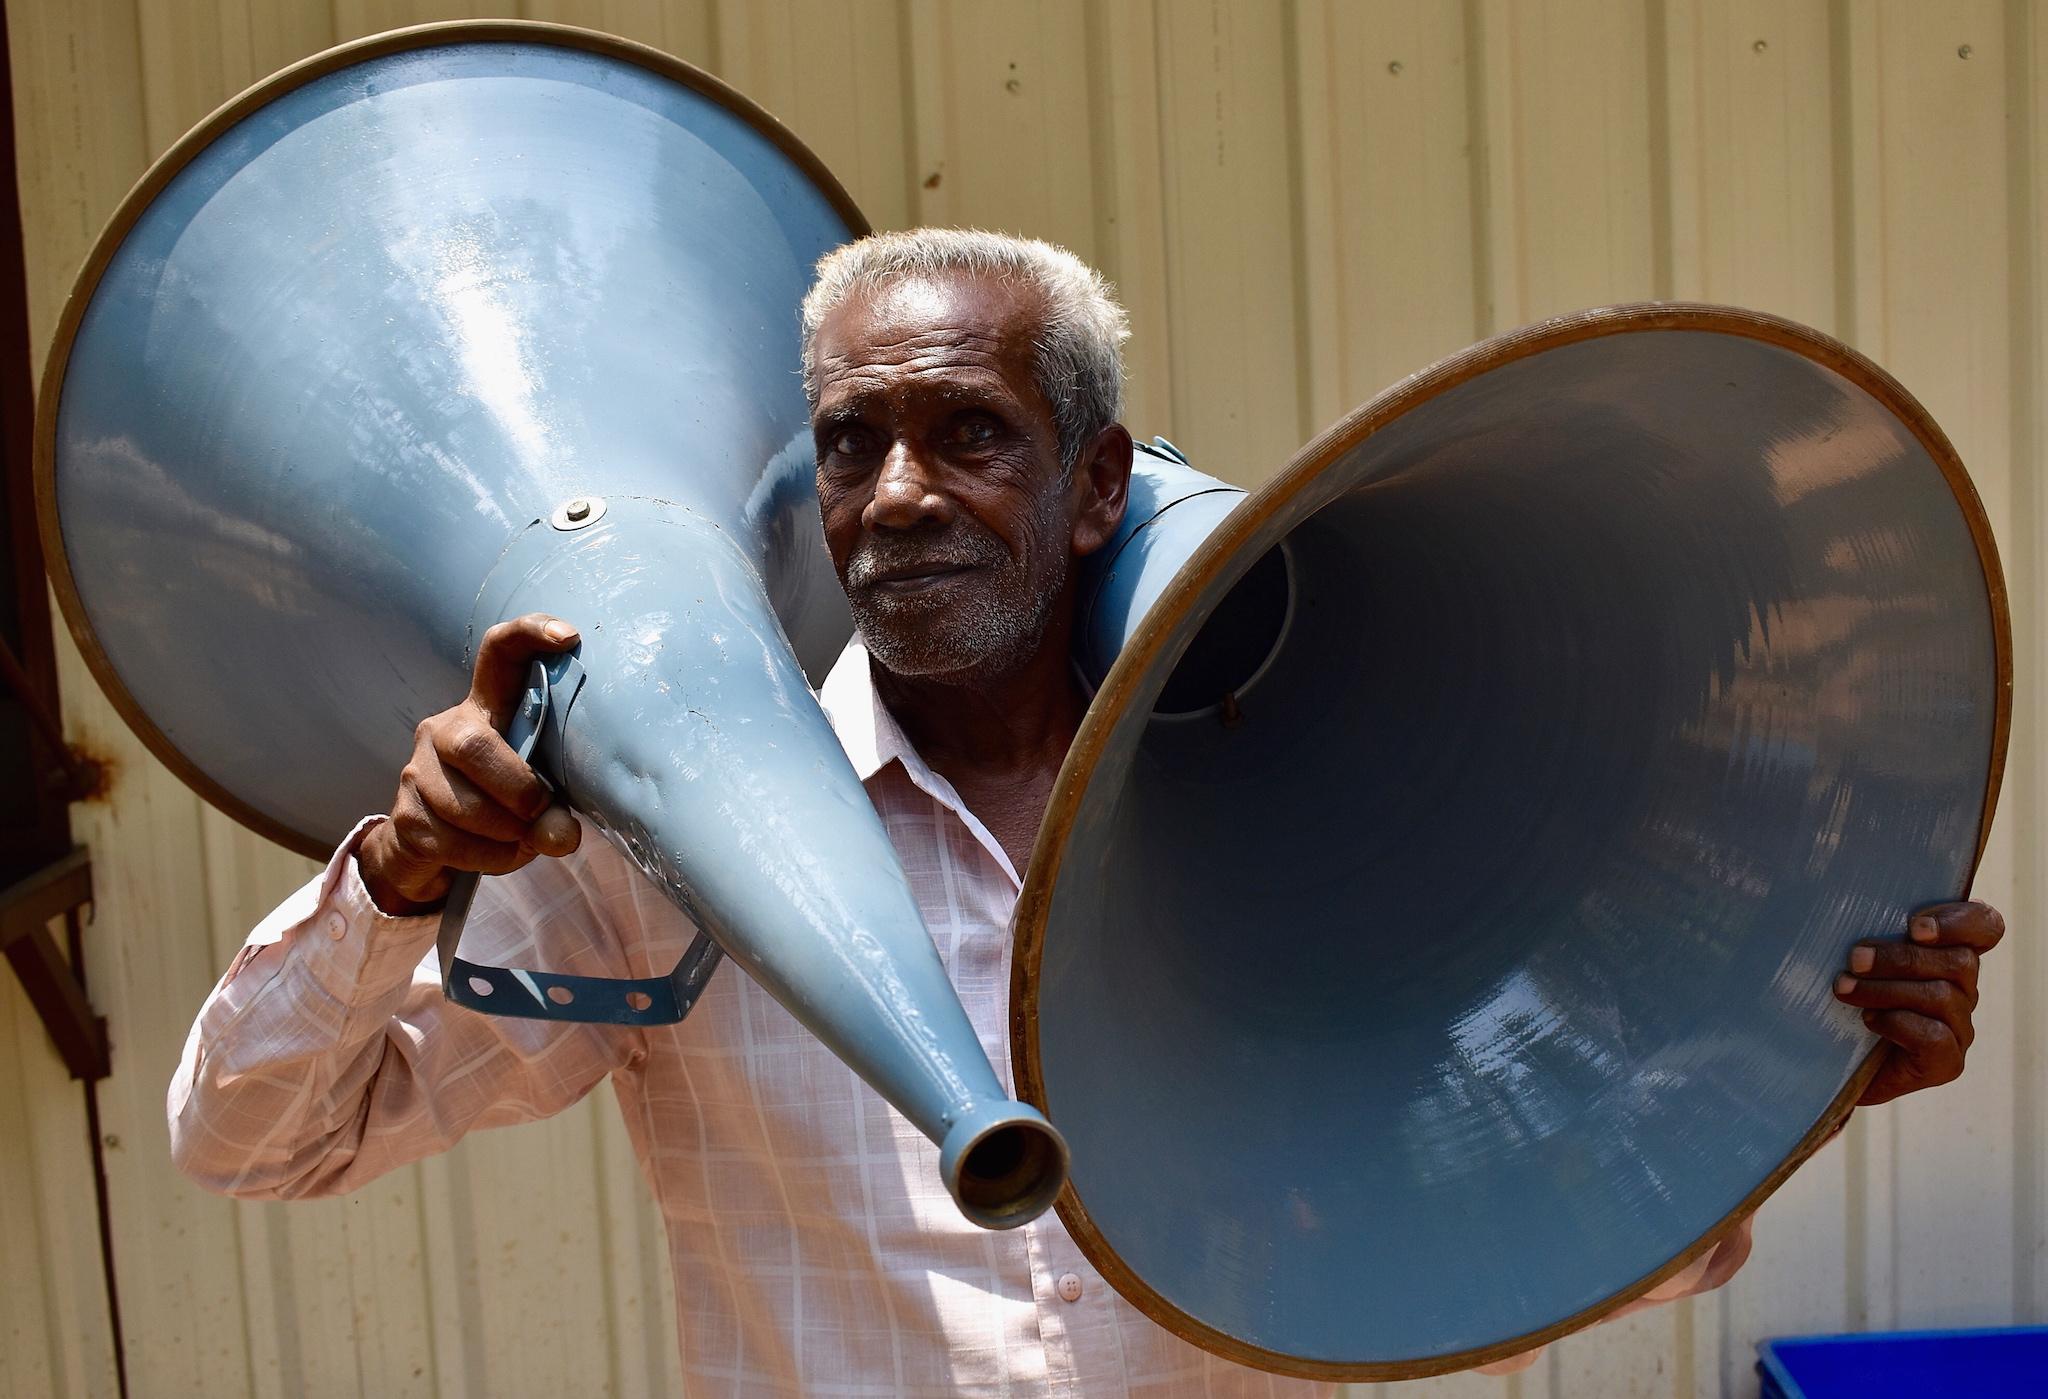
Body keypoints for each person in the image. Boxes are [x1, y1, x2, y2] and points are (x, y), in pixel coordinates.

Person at [169, 229, 2007, 1395]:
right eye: (847, 443)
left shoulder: (1287, 811)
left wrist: (1787, 1068)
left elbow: (1535, 1235)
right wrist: (398, 875)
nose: (895, 495)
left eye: (968, 432)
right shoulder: (670, 843)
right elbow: (257, 1144)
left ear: (1096, 484)